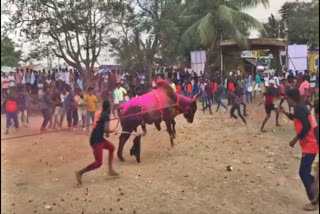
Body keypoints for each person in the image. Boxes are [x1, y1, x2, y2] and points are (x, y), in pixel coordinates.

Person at [280, 89, 319, 211]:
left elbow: (306, 126)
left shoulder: (300, 108)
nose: (286, 100)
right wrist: (286, 113)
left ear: (292, 98)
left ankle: (314, 201)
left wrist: (295, 139)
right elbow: (297, 119)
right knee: (305, 172)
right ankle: (315, 190)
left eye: (287, 98)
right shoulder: (299, 108)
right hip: (308, 145)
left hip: (310, 145)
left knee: (303, 173)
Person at [75, 100, 119, 185]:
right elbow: (106, 129)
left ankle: (110, 170)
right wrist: (113, 131)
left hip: (98, 138)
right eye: (110, 107)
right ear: (108, 108)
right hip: (96, 140)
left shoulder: (102, 113)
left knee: (111, 147)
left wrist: (107, 133)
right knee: (98, 163)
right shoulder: (106, 115)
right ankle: (80, 172)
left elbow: (103, 128)